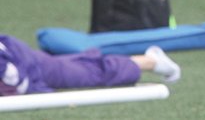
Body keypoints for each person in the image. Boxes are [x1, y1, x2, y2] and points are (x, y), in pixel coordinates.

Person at [0, 34, 180, 96]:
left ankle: (149, 61)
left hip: (26, 65)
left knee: (90, 74)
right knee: (70, 67)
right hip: (21, 60)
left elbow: (14, 79)